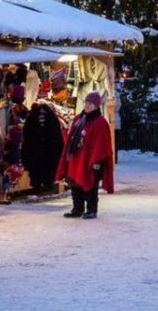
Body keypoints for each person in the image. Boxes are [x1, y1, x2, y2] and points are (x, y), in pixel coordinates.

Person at [57, 91, 114, 220]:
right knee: (75, 183)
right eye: (86, 103)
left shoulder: (101, 122)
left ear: (96, 106)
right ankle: (77, 209)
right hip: (77, 158)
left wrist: (97, 162)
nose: (87, 106)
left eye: (90, 104)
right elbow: (71, 138)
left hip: (91, 159)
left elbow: (102, 144)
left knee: (90, 185)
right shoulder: (78, 119)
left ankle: (91, 210)